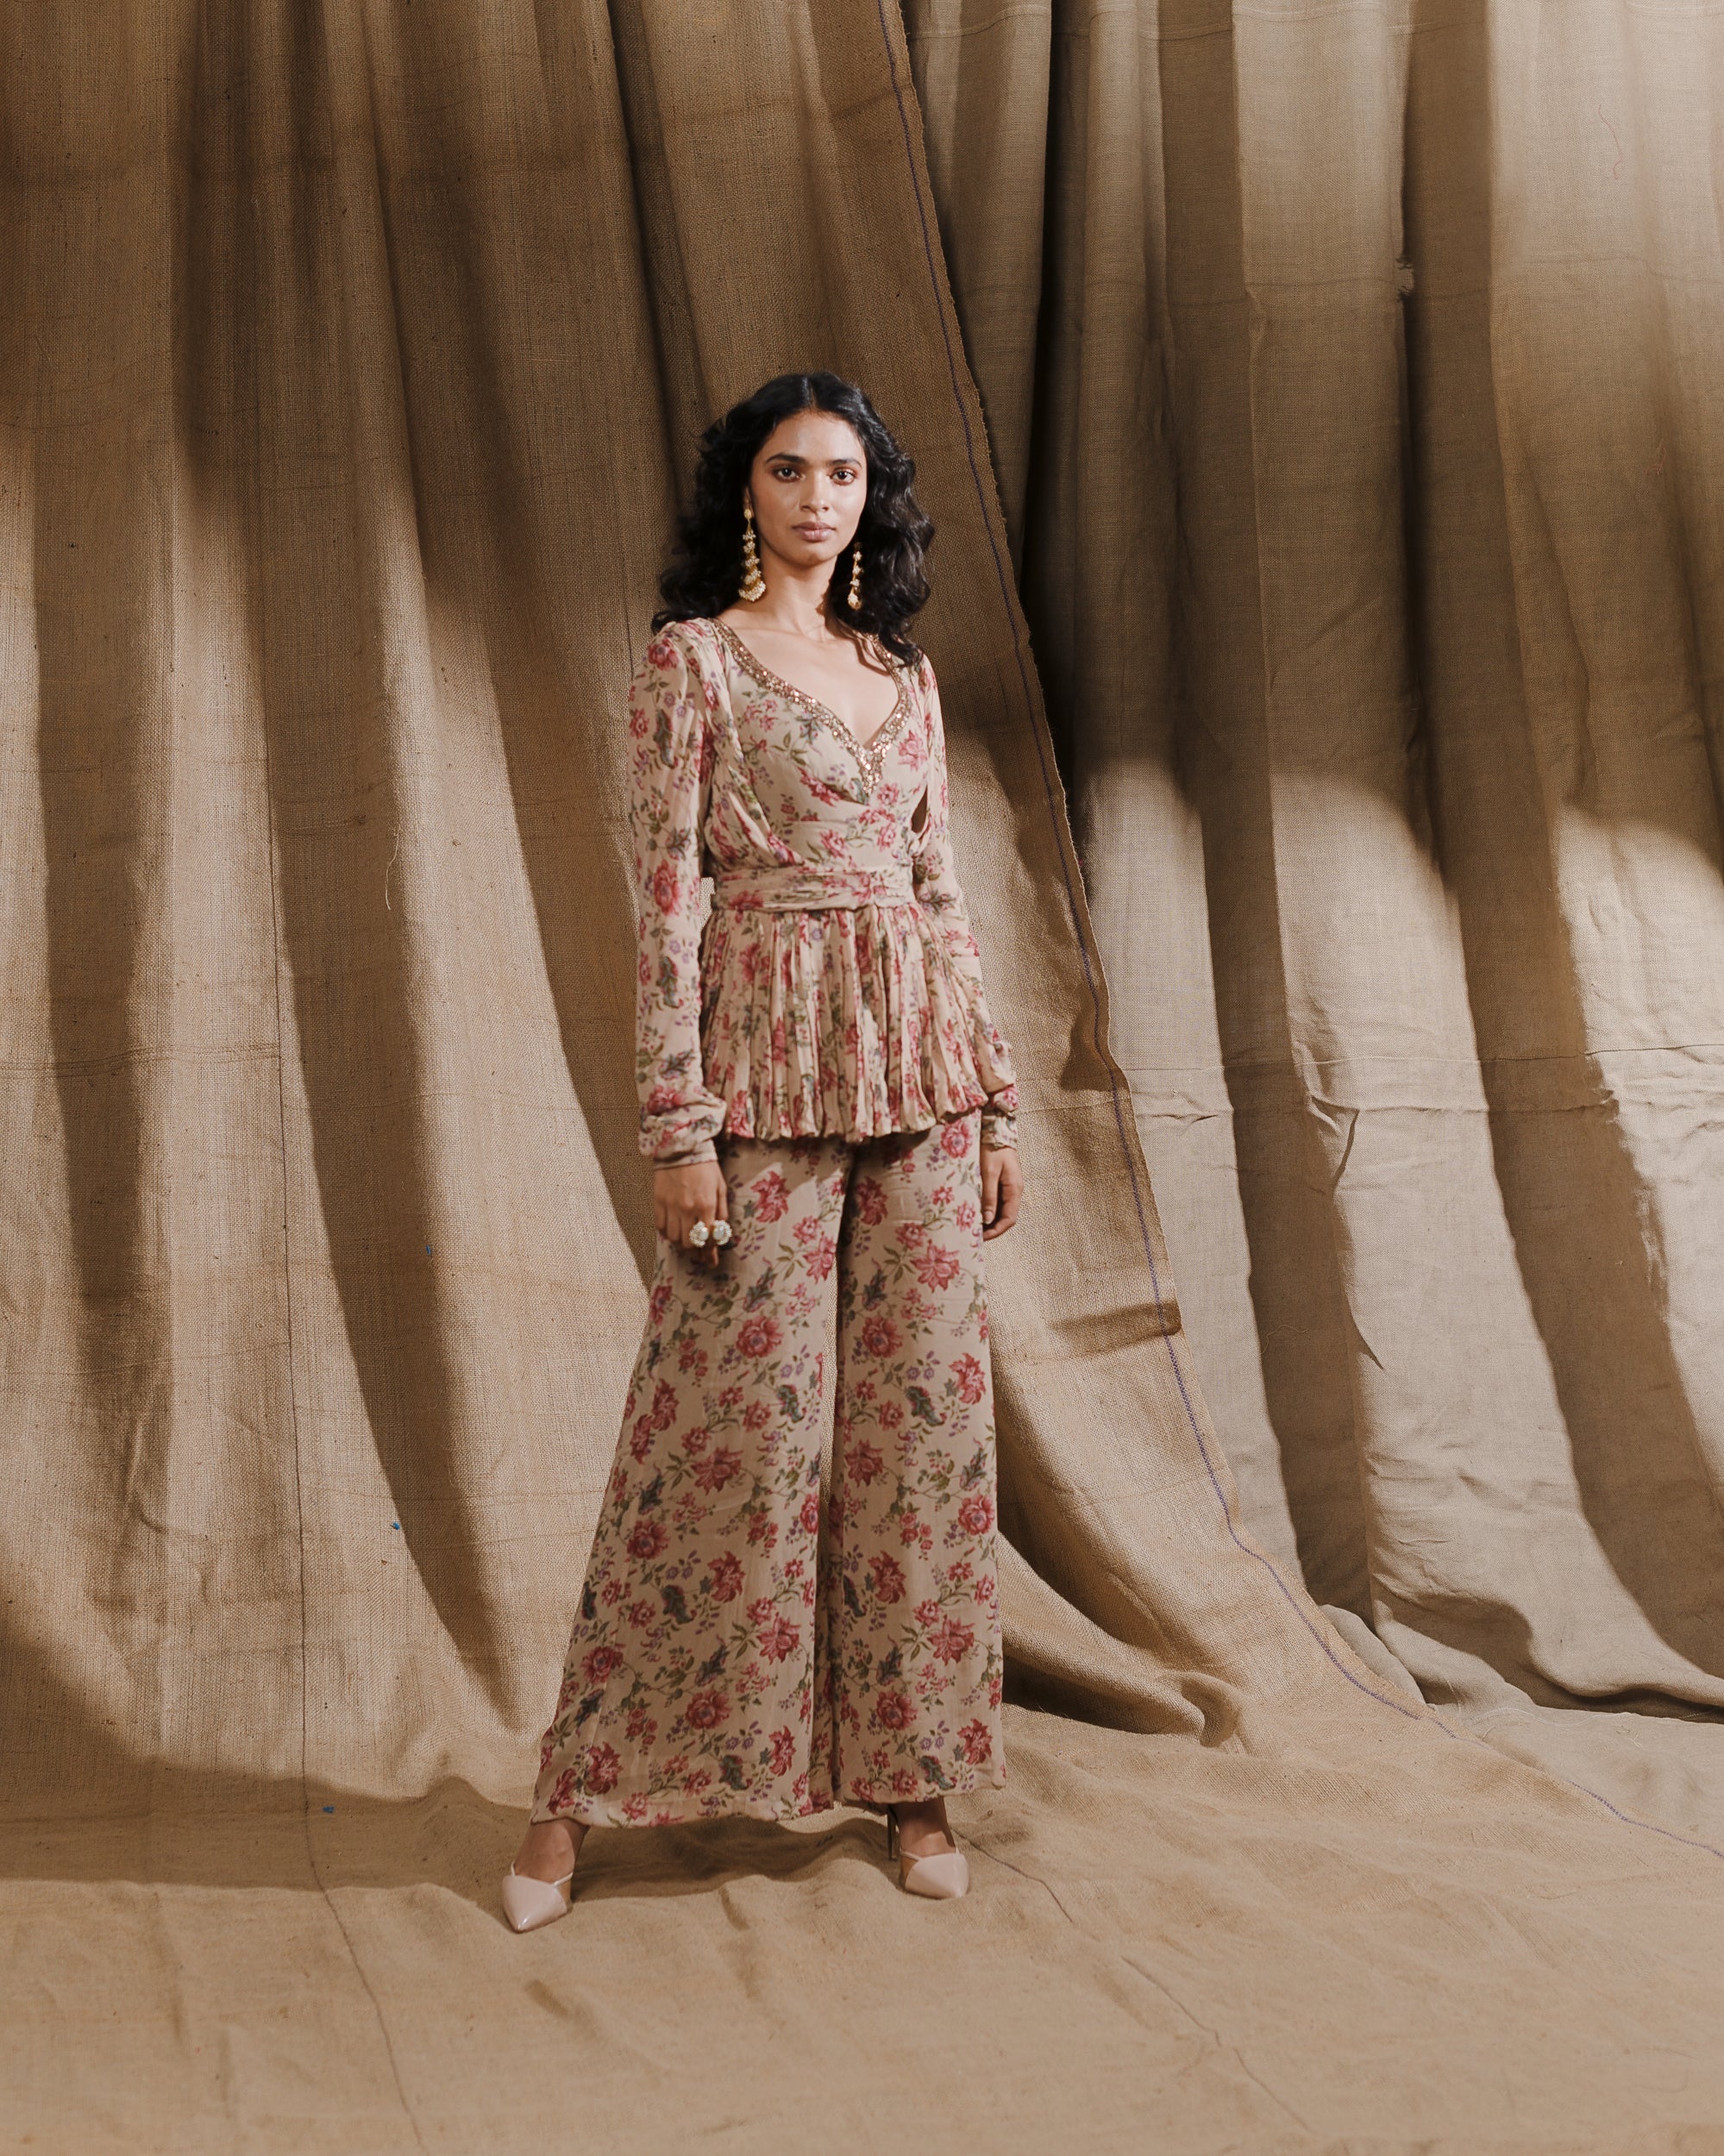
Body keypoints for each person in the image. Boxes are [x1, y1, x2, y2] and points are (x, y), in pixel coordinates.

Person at [503, 371, 1024, 1932]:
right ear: (746, 488)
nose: (818, 500)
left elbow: (939, 892)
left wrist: (995, 1099)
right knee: (724, 1432)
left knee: (924, 1435)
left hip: (922, 1079)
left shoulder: (903, 675)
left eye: (844, 476)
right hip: (763, 1079)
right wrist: (680, 1129)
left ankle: (914, 1782)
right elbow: (665, 906)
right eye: (790, 471)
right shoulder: (696, 663)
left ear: (875, 499)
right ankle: (577, 1800)